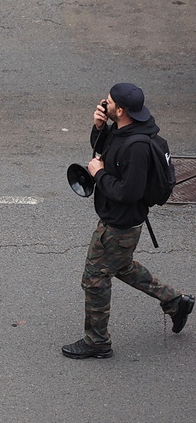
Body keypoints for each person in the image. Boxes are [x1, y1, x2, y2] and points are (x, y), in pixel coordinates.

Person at [62, 83, 195, 359]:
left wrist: (98, 174)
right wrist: (99, 128)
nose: (103, 104)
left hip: (119, 224)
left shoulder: (137, 147)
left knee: (94, 279)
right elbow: (106, 152)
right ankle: (175, 302)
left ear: (120, 110)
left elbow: (128, 192)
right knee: (122, 266)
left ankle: (97, 341)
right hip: (120, 222)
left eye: (108, 103)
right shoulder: (124, 128)